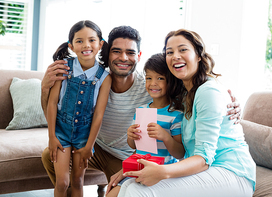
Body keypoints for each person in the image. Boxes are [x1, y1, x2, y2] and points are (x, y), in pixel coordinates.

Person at [40, 25, 242, 196]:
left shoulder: (150, 86)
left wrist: (230, 102)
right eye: (117, 51)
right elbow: (57, 112)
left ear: (139, 56)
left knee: (122, 191)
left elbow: (194, 91)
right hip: (95, 147)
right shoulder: (96, 80)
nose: (123, 58)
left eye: (130, 52)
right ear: (107, 53)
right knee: (51, 155)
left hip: (124, 155)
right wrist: (44, 89)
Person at [118, 29, 256, 197]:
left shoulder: (208, 91)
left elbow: (204, 159)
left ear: (198, 55)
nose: (175, 56)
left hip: (232, 172)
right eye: (170, 52)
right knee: (129, 186)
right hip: (207, 169)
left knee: (137, 191)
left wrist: (163, 171)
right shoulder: (184, 93)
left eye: (183, 49)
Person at [46, 20, 111, 197]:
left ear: (100, 44)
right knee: (62, 182)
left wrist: (90, 145)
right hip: (61, 130)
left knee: (77, 181)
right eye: (79, 41)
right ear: (71, 46)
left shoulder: (104, 77)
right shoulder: (63, 68)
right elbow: (52, 103)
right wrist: (51, 136)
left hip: (84, 133)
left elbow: (98, 114)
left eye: (91, 40)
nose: (86, 45)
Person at [107, 53, 185, 197]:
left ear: (171, 82)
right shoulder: (142, 110)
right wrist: (130, 135)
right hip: (137, 168)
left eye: (160, 78)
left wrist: (165, 136)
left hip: (161, 173)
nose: (153, 83)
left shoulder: (175, 115)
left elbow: (179, 153)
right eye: (149, 78)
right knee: (111, 194)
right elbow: (134, 146)